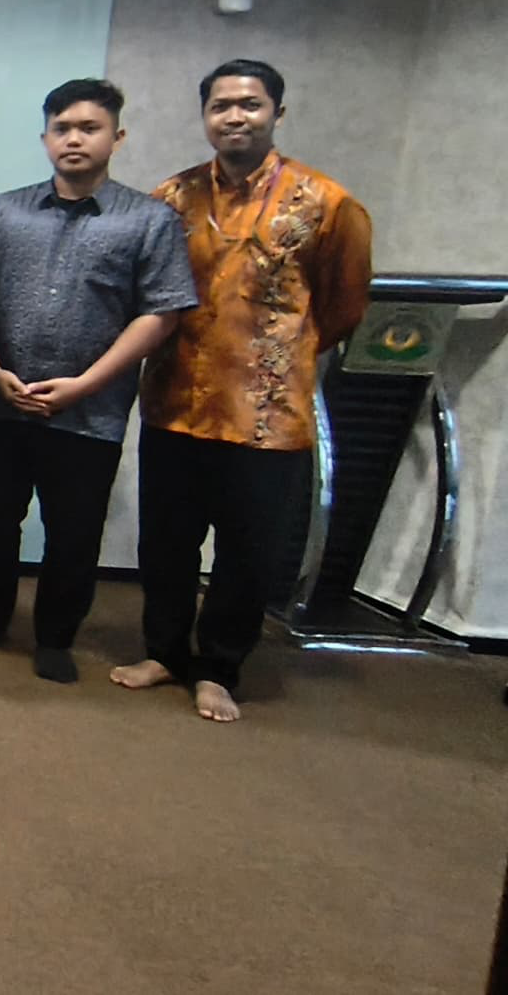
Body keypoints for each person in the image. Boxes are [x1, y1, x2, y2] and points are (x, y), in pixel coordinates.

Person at [118, 60, 372, 722]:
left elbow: (344, 306)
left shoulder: (327, 203)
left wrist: (277, 356)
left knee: (248, 553)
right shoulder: (170, 198)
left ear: (276, 114)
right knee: (165, 543)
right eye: (221, 106)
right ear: (206, 116)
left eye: (250, 104)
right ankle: (164, 651)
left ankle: (219, 668)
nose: (235, 116)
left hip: (267, 416)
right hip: (174, 402)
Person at [0, 78, 197, 683]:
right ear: (45, 139)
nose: (75, 139)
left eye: (90, 128)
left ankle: (55, 638)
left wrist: (84, 384)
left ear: (117, 137)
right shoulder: (3, 211)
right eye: (62, 129)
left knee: (74, 533)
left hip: (90, 412)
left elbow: (161, 313)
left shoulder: (149, 221)